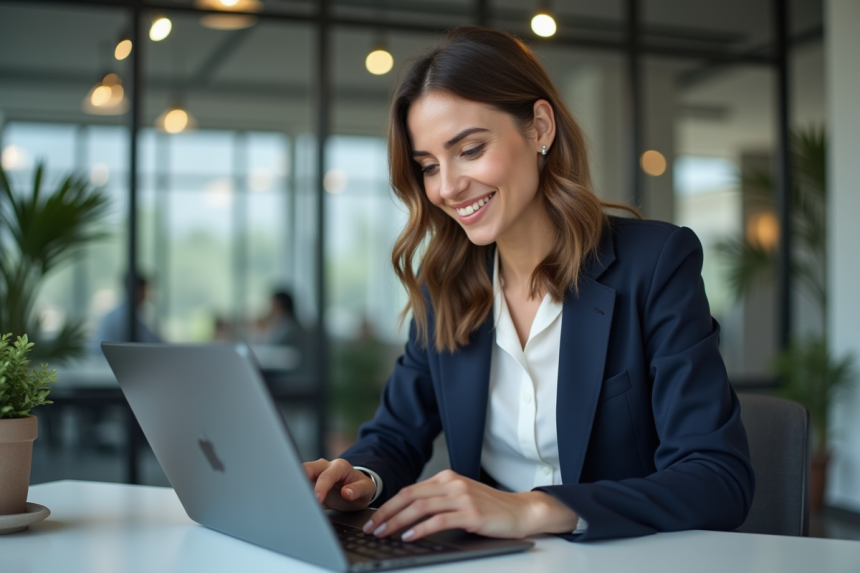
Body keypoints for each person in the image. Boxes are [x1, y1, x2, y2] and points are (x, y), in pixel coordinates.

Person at [304, 27, 754, 543]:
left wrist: (534, 510)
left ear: (539, 127)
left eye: (470, 149)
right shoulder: (445, 288)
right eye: (428, 166)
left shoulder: (653, 264)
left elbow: (718, 480)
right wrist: (360, 477)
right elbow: (395, 434)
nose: (447, 187)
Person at [91, 273, 162, 352]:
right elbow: (153, 342)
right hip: (106, 362)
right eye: (145, 290)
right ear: (139, 290)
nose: (147, 294)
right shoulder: (123, 317)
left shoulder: (124, 314)